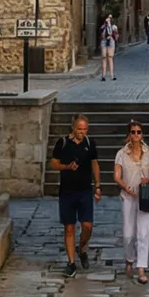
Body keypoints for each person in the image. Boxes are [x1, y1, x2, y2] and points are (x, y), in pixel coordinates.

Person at [50, 114, 100, 276]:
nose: (82, 132)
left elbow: (94, 164)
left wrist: (98, 185)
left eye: (85, 129)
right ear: (73, 127)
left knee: (87, 225)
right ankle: (71, 263)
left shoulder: (89, 143)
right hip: (67, 191)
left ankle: (82, 247)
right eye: (79, 129)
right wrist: (66, 167)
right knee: (69, 227)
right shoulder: (63, 143)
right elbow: (54, 164)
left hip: (85, 190)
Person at [115, 120, 149, 282]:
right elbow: (116, 175)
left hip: (144, 197)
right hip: (128, 196)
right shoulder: (121, 153)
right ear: (129, 134)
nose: (136, 135)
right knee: (128, 233)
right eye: (133, 132)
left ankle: (141, 267)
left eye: (138, 132)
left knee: (143, 233)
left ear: (142, 134)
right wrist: (125, 186)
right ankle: (129, 259)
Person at [99, 15, 120, 80]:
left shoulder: (114, 26)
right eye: (108, 17)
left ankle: (112, 75)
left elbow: (115, 35)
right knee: (104, 57)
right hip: (104, 41)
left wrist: (109, 25)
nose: (109, 19)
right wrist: (106, 25)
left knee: (110, 57)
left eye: (110, 18)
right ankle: (103, 75)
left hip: (111, 41)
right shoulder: (103, 26)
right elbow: (101, 32)